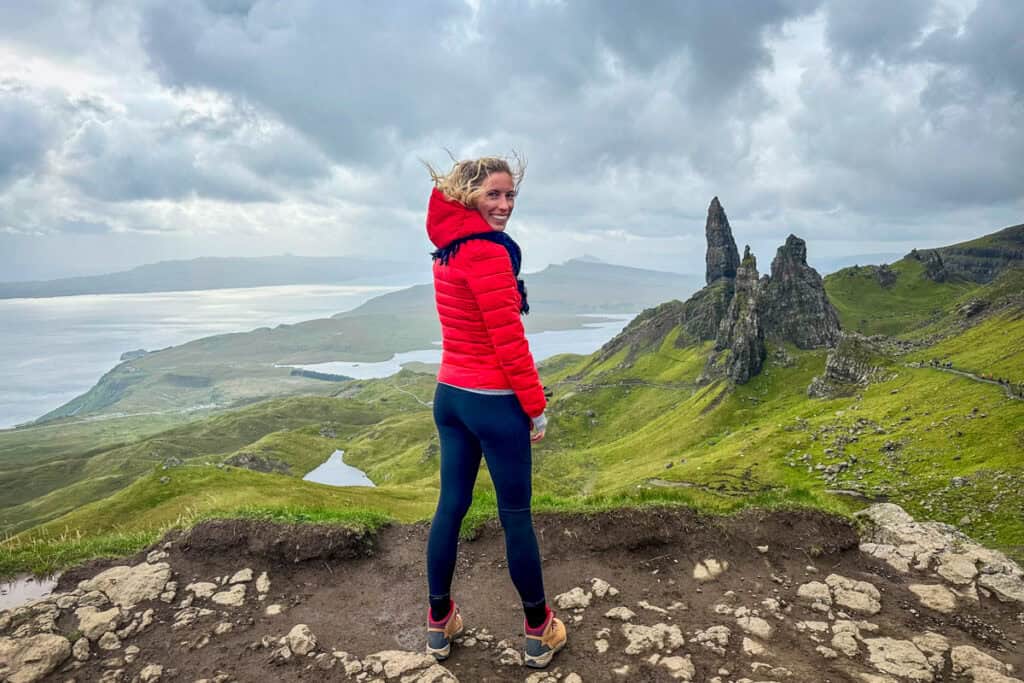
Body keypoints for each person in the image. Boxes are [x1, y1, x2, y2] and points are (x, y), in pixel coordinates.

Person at [422, 155, 566, 669]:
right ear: (468, 197)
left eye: (510, 196)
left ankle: (440, 623)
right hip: (493, 401)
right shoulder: (485, 253)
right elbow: (508, 341)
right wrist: (536, 408)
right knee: (516, 518)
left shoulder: (447, 249)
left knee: (450, 507)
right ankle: (539, 629)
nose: (504, 205)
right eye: (494, 196)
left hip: (451, 395)